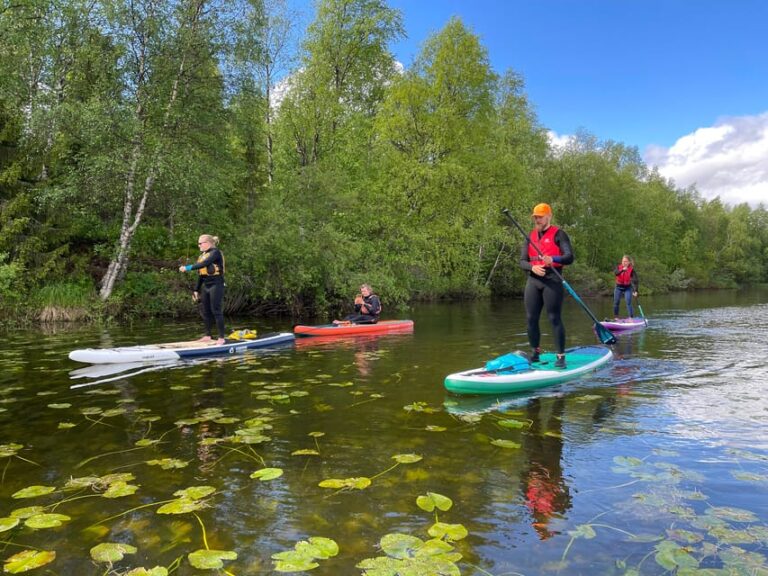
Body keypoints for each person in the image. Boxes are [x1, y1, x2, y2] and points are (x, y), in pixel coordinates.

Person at [519, 203, 574, 369]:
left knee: (553, 318)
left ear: (549, 216)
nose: (537, 219)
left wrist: (554, 259)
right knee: (531, 318)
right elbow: (522, 261)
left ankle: (560, 356)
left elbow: (569, 257)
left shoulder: (559, 234)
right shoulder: (530, 236)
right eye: (535, 217)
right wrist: (532, 267)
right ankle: (535, 353)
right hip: (534, 281)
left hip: (552, 281)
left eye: (540, 216)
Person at [179, 234, 227, 345]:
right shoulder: (203, 255)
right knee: (206, 311)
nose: (199, 245)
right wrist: (196, 289)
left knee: (216, 310)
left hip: (217, 285)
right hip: (206, 286)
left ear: (208, 243)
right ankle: (208, 336)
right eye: (198, 243)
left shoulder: (215, 253)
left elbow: (204, 264)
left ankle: (221, 338)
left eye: (201, 243)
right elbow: (201, 273)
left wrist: (187, 268)